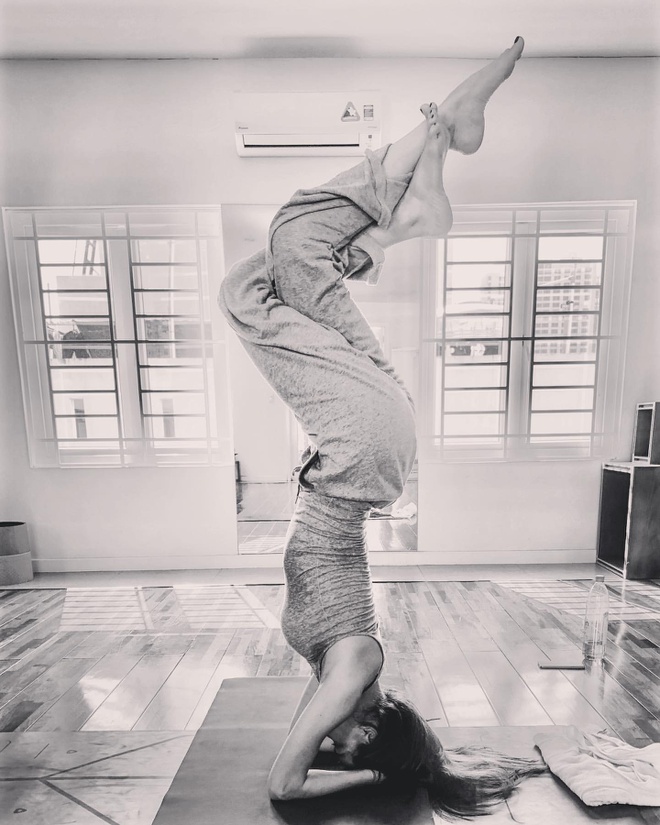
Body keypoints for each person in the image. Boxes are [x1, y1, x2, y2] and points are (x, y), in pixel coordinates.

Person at [219, 37, 546, 818]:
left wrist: (387, 761)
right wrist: (376, 778)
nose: (335, 744)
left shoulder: (352, 678)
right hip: (361, 447)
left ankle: (413, 193)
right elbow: (284, 782)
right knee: (272, 265)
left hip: (370, 442)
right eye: (352, 746)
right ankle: (415, 181)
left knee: (275, 268)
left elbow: (320, 745)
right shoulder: (353, 671)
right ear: (371, 729)